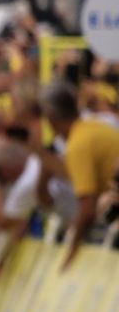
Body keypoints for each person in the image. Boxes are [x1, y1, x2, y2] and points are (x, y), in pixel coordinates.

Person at [41, 82, 119, 270]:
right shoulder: (95, 126)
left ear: (51, 118)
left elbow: (88, 208)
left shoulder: (78, 145)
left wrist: (72, 245)